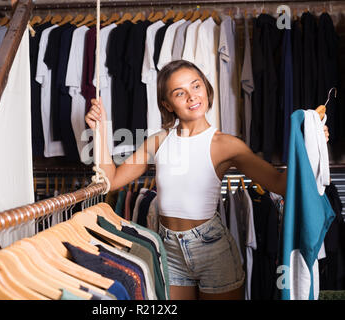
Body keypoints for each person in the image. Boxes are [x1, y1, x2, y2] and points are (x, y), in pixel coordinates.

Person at [85, 60, 329, 300]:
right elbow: (112, 180)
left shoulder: (227, 145)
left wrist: (311, 147)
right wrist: (101, 130)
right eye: (179, 93)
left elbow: (280, 185)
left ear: (207, 89)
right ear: (167, 104)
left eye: (196, 86)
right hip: (168, 248)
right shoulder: (158, 142)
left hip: (212, 249)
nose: (192, 97)